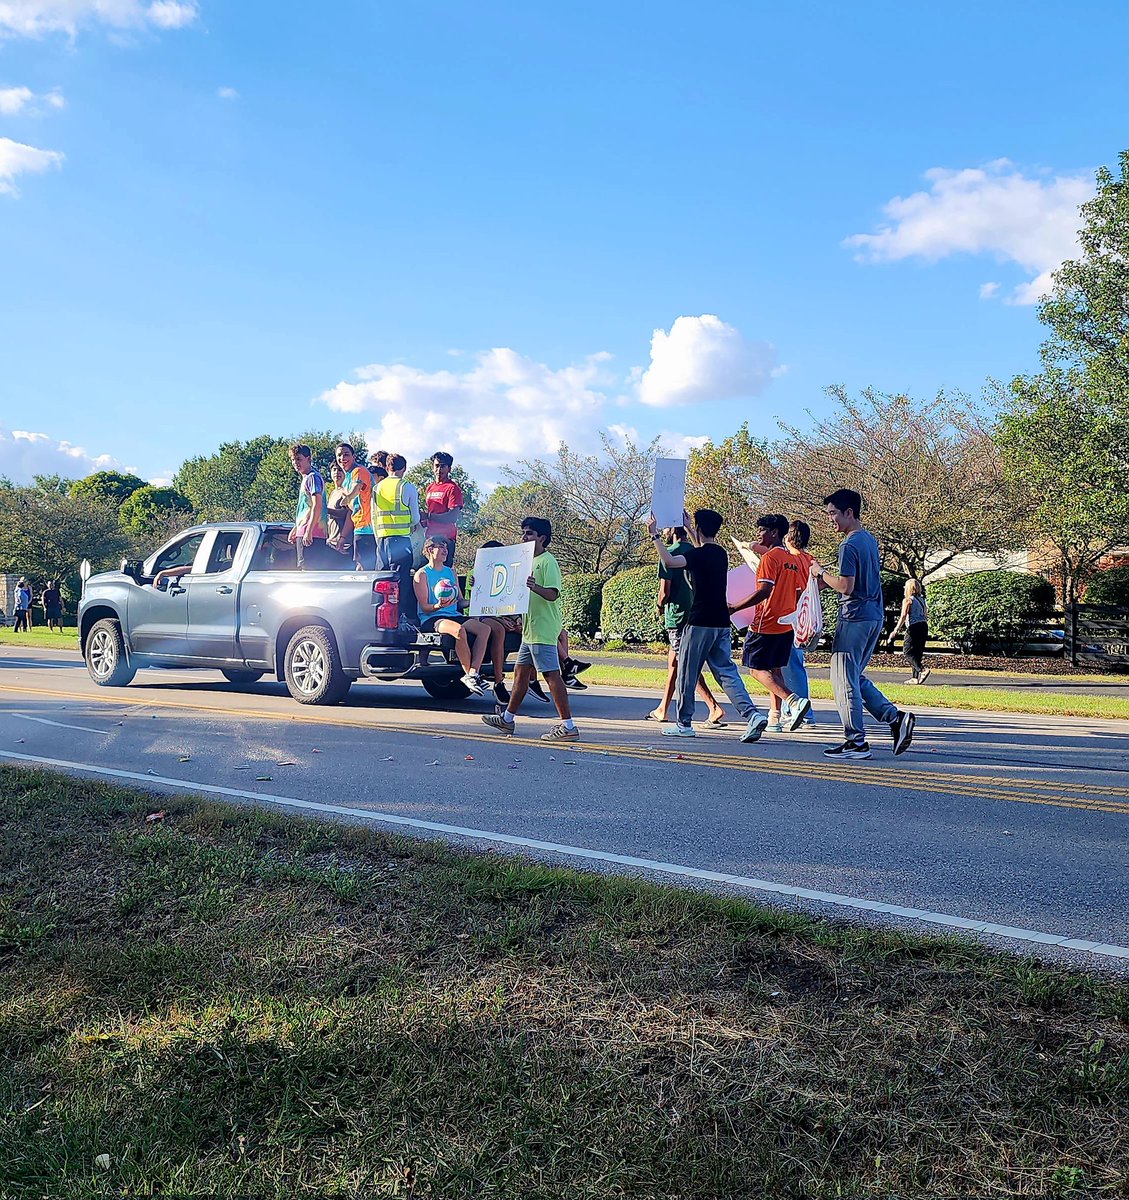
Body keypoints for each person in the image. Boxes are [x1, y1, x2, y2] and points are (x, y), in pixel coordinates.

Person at [646, 509, 767, 742]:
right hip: (721, 621)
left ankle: (684, 723)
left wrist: (655, 536)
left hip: (699, 620)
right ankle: (751, 715)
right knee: (726, 672)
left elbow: (670, 561)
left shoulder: (698, 555)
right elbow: (702, 550)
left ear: (700, 528)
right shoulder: (720, 554)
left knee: (687, 673)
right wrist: (692, 529)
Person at [811, 488, 915, 759]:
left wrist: (820, 572)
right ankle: (895, 718)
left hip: (854, 617)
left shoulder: (849, 544)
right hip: (873, 615)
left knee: (843, 679)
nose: (830, 519)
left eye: (833, 513)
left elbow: (846, 586)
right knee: (854, 676)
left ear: (849, 512)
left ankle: (856, 742)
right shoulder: (869, 540)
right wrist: (825, 582)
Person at [481, 517, 579, 742]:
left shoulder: (547, 561)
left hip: (543, 629)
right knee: (521, 674)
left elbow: (553, 594)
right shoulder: (525, 562)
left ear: (542, 538)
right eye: (523, 533)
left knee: (551, 675)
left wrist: (535, 587)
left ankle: (568, 726)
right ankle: (507, 719)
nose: (524, 537)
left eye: (529, 534)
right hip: (530, 629)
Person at [738, 514, 812, 733]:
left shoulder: (770, 558)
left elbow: (764, 591)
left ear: (774, 533)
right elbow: (800, 591)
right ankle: (775, 717)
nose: (758, 534)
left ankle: (794, 701)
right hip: (785, 622)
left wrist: (735, 607)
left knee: (756, 669)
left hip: (766, 621)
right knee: (775, 670)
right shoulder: (793, 559)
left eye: (762, 530)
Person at [647, 526, 727, 726]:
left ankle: (713, 706)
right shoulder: (696, 551)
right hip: (695, 612)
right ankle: (663, 708)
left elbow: (664, 592)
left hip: (677, 615)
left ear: (672, 530)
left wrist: (658, 606)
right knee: (674, 663)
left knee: (685, 665)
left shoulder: (670, 552)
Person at [414, 537, 492, 695]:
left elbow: (460, 602)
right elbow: (424, 607)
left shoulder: (451, 572)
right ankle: (468, 674)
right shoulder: (422, 574)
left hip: (453, 614)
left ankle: (473, 674)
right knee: (458, 630)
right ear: (430, 550)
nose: (445, 551)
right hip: (433, 618)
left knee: (484, 629)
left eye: (446, 548)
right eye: (441, 547)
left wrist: (474, 601)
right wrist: (438, 605)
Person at [375, 454, 423, 626]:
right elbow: (415, 518)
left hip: (381, 540)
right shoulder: (407, 487)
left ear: (387, 468)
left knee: (382, 579)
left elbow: (374, 517)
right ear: (404, 468)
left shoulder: (377, 487)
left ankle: (378, 618)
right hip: (401, 539)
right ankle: (400, 617)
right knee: (400, 580)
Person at [780, 520, 817, 726]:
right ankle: (794, 708)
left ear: (790, 537)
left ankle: (799, 709)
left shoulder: (791, 559)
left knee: (790, 664)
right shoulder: (809, 560)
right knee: (795, 664)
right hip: (803, 617)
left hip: (790, 615)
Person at [287, 444, 330, 570]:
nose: (296, 463)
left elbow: (317, 504)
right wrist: (296, 528)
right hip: (304, 529)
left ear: (308, 459)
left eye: (299, 459)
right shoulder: (306, 478)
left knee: (308, 569)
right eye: (293, 460)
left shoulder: (313, 477)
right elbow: (307, 508)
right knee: (303, 567)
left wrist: (309, 531)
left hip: (313, 532)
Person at [333, 443, 375, 570]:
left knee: (365, 568)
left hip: (368, 529)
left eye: (346, 454)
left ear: (354, 456)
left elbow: (357, 487)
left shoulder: (359, 471)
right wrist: (343, 537)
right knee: (360, 567)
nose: (342, 458)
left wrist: (348, 497)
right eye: (339, 455)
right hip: (359, 528)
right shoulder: (346, 479)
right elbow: (352, 512)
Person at [424, 451, 463, 565]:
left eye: (443, 466)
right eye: (437, 466)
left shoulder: (452, 488)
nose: (439, 469)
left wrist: (429, 516)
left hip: (445, 540)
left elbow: (452, 517)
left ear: (449, 469)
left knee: (442, 576)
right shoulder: (430, 488)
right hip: (430, 538)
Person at [890, 578, 931, 684]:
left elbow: (903, 616)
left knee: (907, 651)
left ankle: (922, 670)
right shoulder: (922, 600)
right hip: (923, 626)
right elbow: (926, 614)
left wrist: (896, 629)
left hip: (914, 627)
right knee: (917, 652)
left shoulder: (908, 600)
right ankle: (914, 677)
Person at [326, 463, 355, 560]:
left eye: (340, 470)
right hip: (332, 541)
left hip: (344, 543)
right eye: (334, 470)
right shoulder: (333, 492)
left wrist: (326, 510)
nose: (336, 473)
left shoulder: (346, 491)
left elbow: (348, 513)